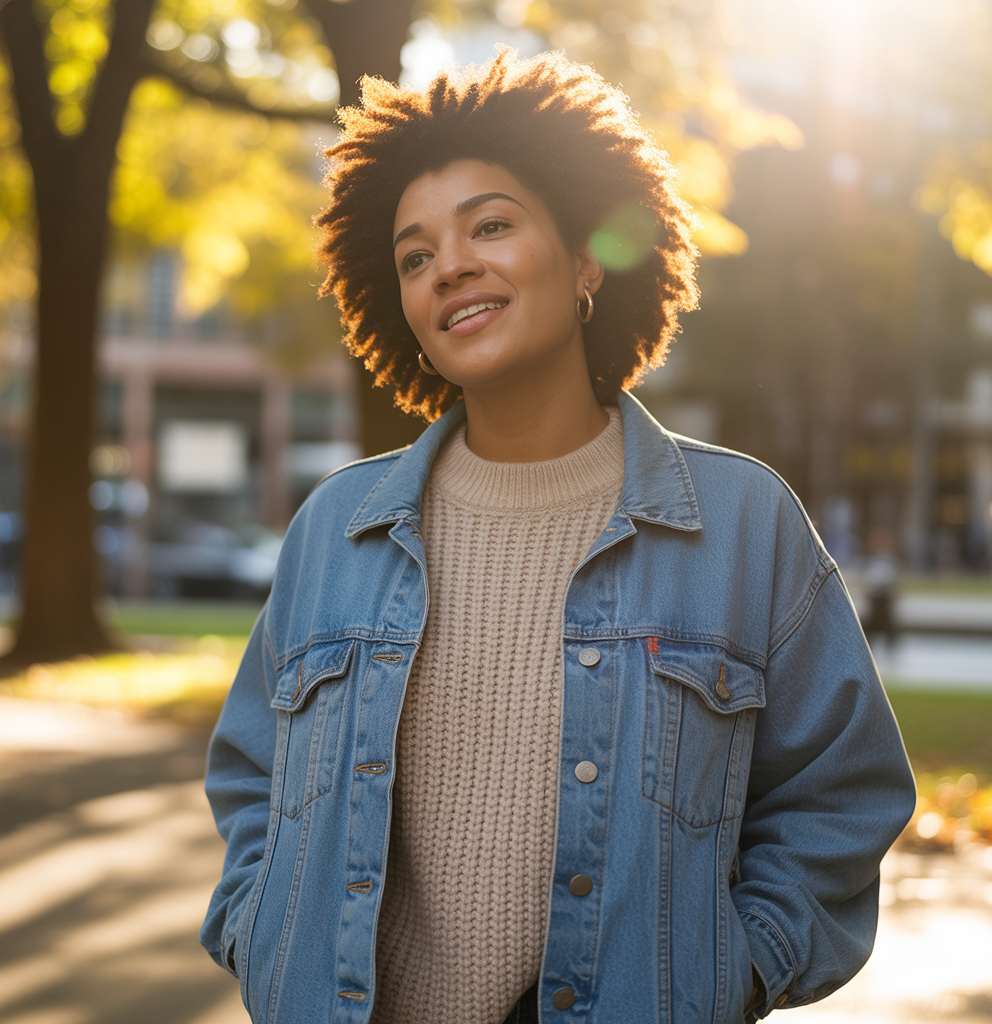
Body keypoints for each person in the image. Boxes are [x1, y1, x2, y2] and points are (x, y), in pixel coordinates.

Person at [200, 48, 916, 1024]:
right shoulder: (335, 528)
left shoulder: (743, 524)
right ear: (403, 310)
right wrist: (260, 933)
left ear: (584, 260)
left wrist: (733, 971)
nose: (449, 263)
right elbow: (251, 781)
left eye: (489, 225)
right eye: (415, 255)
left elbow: (842, 792)